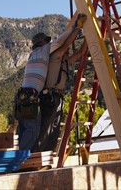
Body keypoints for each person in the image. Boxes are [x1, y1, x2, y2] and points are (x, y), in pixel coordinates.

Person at [15, 14, 86, 150]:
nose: (49, 44)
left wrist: (87, 36)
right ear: (41, 44)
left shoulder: (37, 55)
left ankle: (28, 158)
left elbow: (76, 53)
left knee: (35, 130)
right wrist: (76, 27)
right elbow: (61, 44)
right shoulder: (43, 51)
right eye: (47, 42)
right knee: (35, 131)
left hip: (26, 95)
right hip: (33, 96)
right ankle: (21, 161)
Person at [32, 33, 86, 152]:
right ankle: (37, 158)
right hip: (48, 97)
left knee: (54, 130)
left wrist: (88, 37)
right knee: (45, 129)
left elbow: (80, 53)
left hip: (57, 97)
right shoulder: (54, 57)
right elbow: (65, 46)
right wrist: (76, 28)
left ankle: (48, 156)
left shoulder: (63, 61)